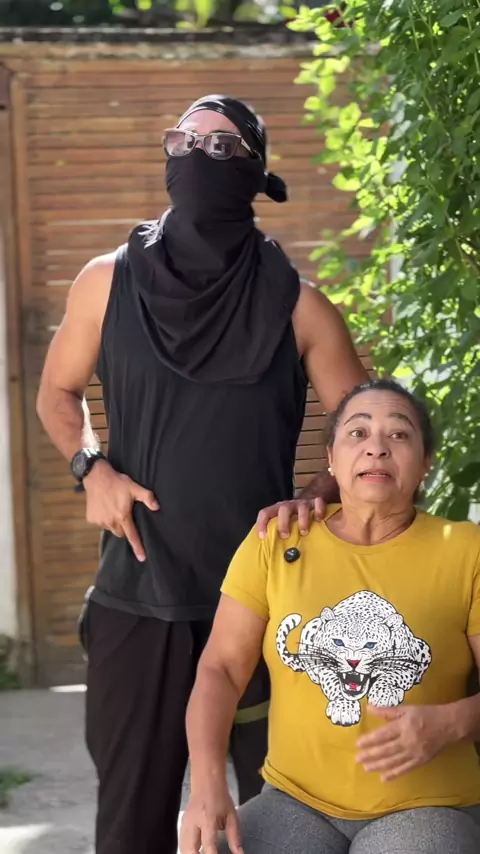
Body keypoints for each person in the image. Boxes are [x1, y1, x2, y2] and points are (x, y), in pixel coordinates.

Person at [36, 95, 368, 854]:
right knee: (131, 827)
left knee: (279, 826)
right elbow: (57, 391)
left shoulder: (299, 307)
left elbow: (368, 430)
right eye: (183, 141)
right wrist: (92, 467)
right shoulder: (105, 282)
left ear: (255, 172)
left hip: (268, 600)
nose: (196, 154)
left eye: (221, 146)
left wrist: (318, 497)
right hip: (139, 590)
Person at [181, 379, 480, 854]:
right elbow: (221, 668)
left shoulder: (465, 550)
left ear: (425, 462)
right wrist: (206, 784)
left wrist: (452, 723)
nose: (376, 448)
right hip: (294, 802)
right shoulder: (275, 542)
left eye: (399, 434)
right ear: (331, 459)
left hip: (429, 805)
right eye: (357, 433)